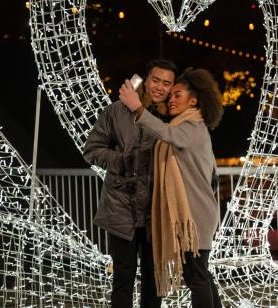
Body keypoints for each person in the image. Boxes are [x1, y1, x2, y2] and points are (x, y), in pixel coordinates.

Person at [119, 67, 224, 308]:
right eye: (171, 95)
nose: (171, 99)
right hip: (197, 214)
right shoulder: (189, 126)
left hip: (194, 218)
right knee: (201, 275)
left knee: (196, 277)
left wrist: (137, 107)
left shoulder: (191, 127)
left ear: (194, 100)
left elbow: (166, 133)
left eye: (178, 94)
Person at [83, 59, 177, 308]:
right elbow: (91, 150)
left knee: (154, 280)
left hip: (155, 212)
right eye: (156, 80)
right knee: (123, 279)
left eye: (166, 83)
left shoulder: (173, 117)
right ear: (146, 80)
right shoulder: (117, 111)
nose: (160, 87)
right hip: (121, 208)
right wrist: (122, 161)